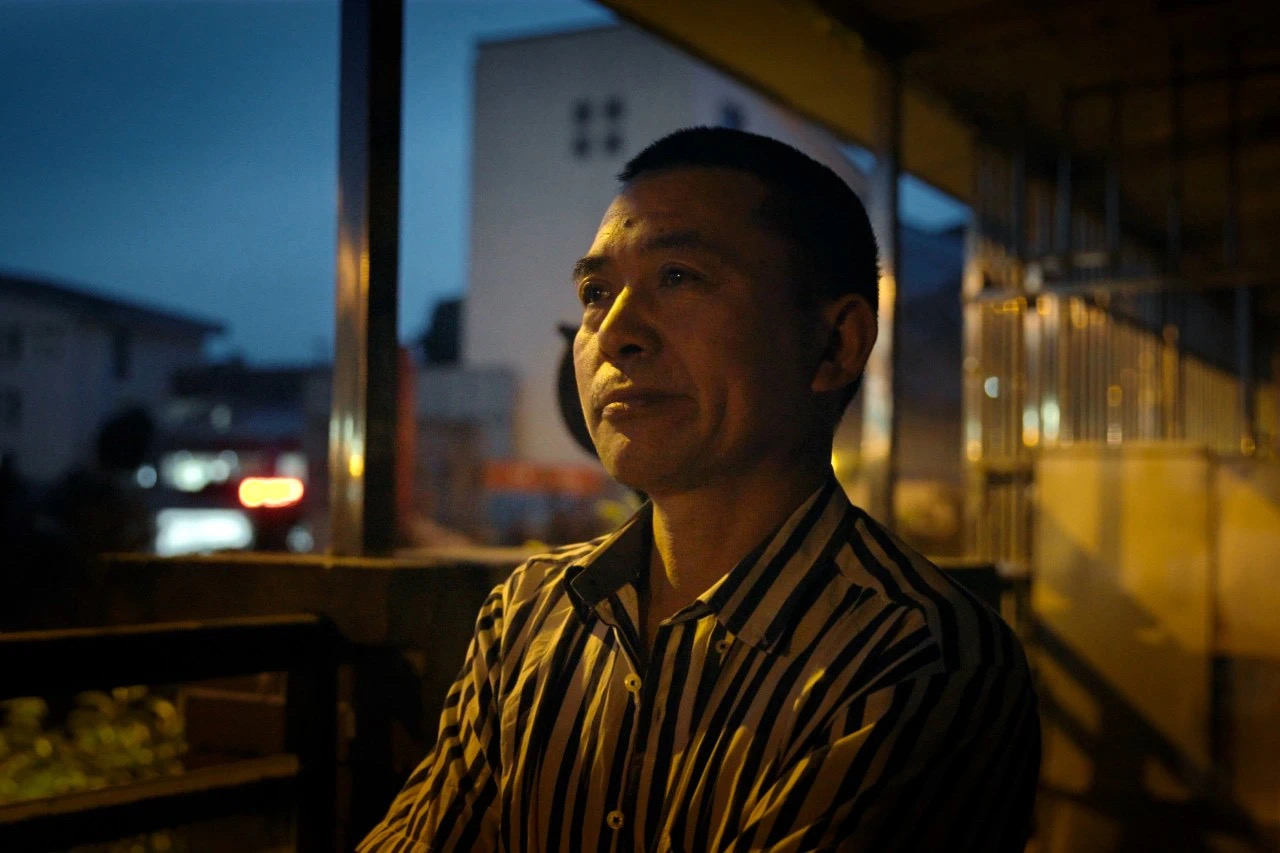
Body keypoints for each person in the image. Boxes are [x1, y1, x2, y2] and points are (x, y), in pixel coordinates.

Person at [359, 127, 1039, 852]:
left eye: (679, 276)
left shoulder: (920, 659)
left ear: (836, 344)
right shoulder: (528, 615)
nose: (614, 332)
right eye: (595, 292)